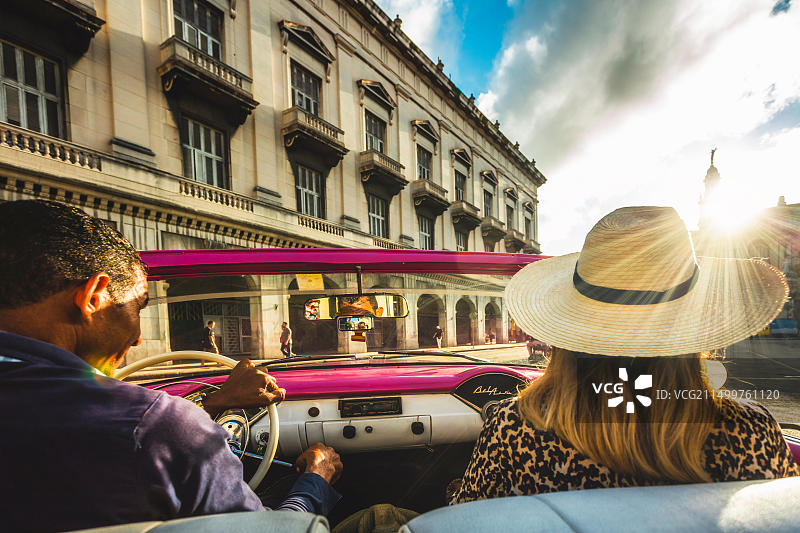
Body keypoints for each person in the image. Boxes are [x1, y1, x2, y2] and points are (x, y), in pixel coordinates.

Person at [0, 200, 343, 532]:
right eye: (138, 308)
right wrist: (316, 480)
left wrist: (213, 405)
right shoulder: (157, 426)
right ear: (94, 298)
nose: (137, 339)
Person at [450, 206, 799, 504]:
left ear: (568, 340)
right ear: (690, 332)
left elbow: (466, 517)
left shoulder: (515, 429)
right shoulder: (752, 430)